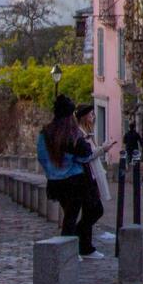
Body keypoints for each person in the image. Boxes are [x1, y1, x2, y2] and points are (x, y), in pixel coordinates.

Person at [37, 94, 106, 259]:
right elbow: (84, 155)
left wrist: (53, 171)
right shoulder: (70, 133)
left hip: (55, 181)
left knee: (76, 213)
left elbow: (42, 155)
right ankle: (70, 247)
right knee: (83, 212)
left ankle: (83, 246)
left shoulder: (46, 132)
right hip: (75, 180)